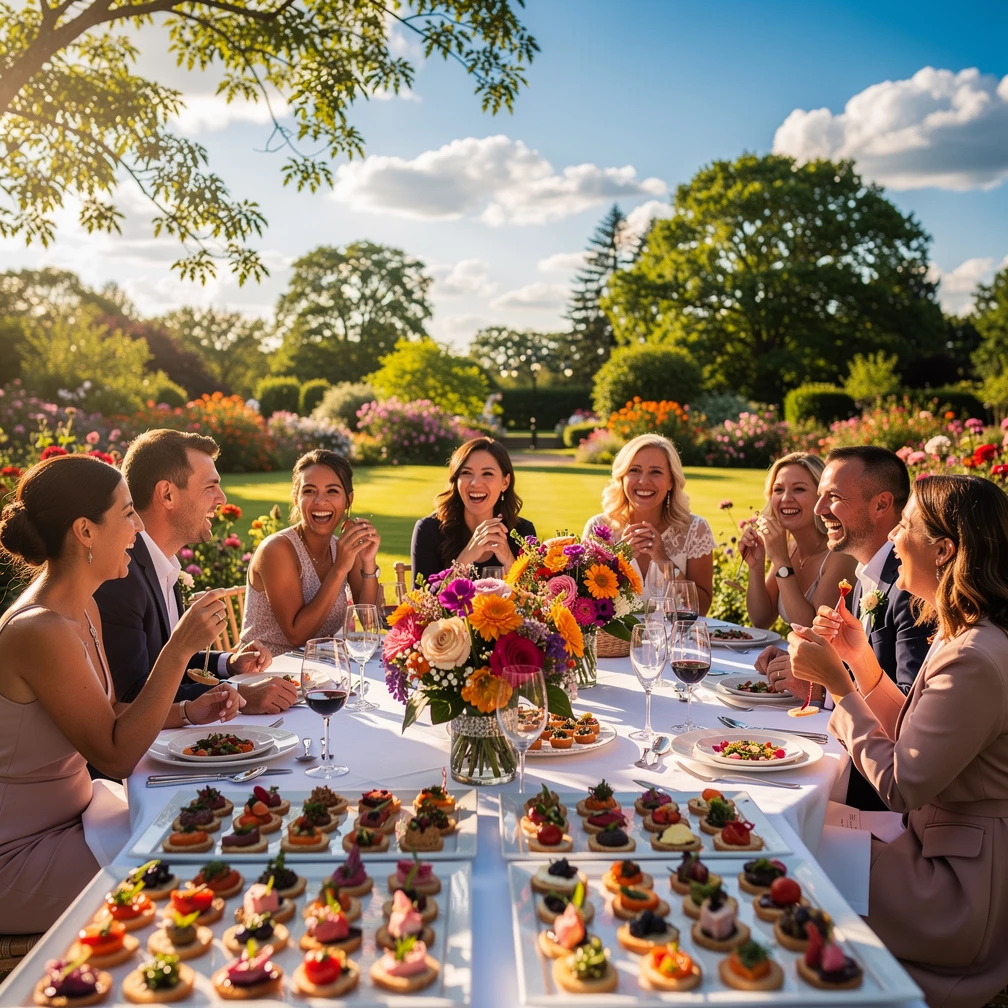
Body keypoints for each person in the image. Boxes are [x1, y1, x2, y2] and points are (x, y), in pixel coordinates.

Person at [788, 474, 1008, 1008]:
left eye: (905, 526)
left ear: (944, 551)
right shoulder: (966, 635)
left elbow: (901, 785)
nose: (893, 540)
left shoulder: (975, 656)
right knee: (794, 829)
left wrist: (838, 686)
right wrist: (860, 660)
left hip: (957, 888)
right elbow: (914, 737)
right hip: (936, 849)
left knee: (788, 856)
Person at [0, 455, 231, 932]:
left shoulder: (83, 607)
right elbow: (116, 753)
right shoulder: (39, 629)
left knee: (210, 816)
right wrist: (178, 650)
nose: (138, 528)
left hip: (78, 819)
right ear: (85, 531)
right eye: (128, 513)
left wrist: (188, 711)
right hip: (21, 854)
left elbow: (110, 714)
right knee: (196, 864)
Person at [755, 445, 932, 809]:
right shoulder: (866, 574)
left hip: (882, 796)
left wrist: (824, 688)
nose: (819, 511)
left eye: (832, 498)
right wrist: (812, 670)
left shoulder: (910, 587)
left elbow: (911, 712)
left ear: (882, 505)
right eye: (820, 497)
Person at [94, 429, 293, 724]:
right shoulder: (121, 577)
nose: (222, 498)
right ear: (167, 494)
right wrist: (239, 695)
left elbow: (167, 660)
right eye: (210, 486)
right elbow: (132, 696)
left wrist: (230, 663)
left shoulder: (159, 563)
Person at [241, 449, 381, 656]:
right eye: (309, 491)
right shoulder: (277, 549)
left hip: (322, 670)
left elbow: (369, 622)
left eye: (332, 491)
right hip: (267, 673)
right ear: (297, 499)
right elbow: (297, 635)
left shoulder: (341, 548)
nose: (319, 501)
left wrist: (368, 562)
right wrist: (340, 568)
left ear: (348, 500)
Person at [582, 433, 714, 613]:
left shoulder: (696, 529)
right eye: (634, 470)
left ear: (671, 482)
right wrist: (619, 561)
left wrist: (664, 562)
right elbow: (587, 606)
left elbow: (702, 608)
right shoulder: (599, 528)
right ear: (622, 477)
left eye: (656, 472)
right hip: (614, 642)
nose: (644, 481)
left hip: (673, 641)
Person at [740, 452, 856, 629]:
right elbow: (761, 619)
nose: (786, 498)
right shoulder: (790, 547)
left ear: (821, 496)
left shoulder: (840, 554)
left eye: (799, 489)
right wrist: (755, 565)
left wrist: (781, 562)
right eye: (778, 490)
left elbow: (813, 629)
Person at [411, 438, 534, 585]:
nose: (475, 483)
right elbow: (420, 604)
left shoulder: (522, 533)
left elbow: (534, 601)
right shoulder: (428, 530)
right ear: (456, 481)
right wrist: (467, 556)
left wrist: (509, 560)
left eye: (487, 474)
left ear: (505, 482)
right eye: (466, 472)